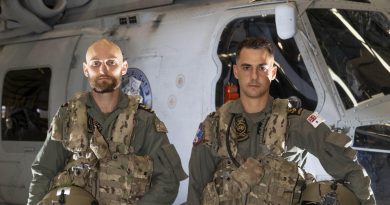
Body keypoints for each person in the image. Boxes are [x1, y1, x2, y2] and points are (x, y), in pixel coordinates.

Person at [187, 37, 375, 205]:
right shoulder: (215, 125)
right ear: (236, 71)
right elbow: (196, 189)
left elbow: (350, 169)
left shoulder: (295, 121)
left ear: (273, 73)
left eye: (262, 68)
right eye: (246, 67)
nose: (254, 76)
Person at [28, 38, 187, 205]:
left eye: (111, 62)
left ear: (124, 67)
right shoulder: (68, 115)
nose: (103, 70)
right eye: (96, 63)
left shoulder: (144, 120)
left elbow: (168, 180)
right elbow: (43, 171)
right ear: (86, 69)